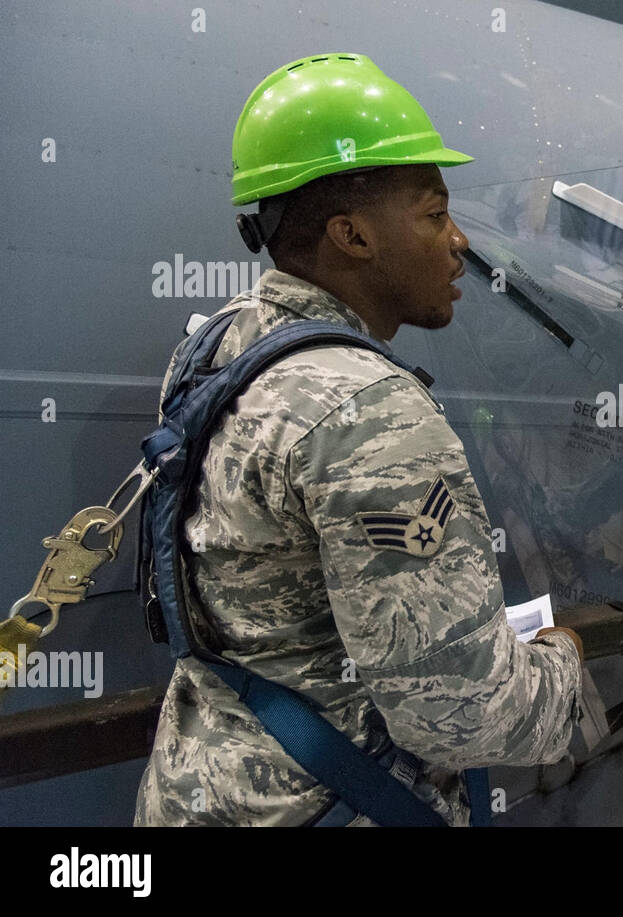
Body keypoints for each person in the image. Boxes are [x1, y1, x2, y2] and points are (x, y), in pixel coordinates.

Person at [135, 53, 584, 826]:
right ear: (353, 235)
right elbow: (460, 711)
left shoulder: (215, 348)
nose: (457, 242)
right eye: (434, 213)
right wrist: (564, 667)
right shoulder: (368, 408)